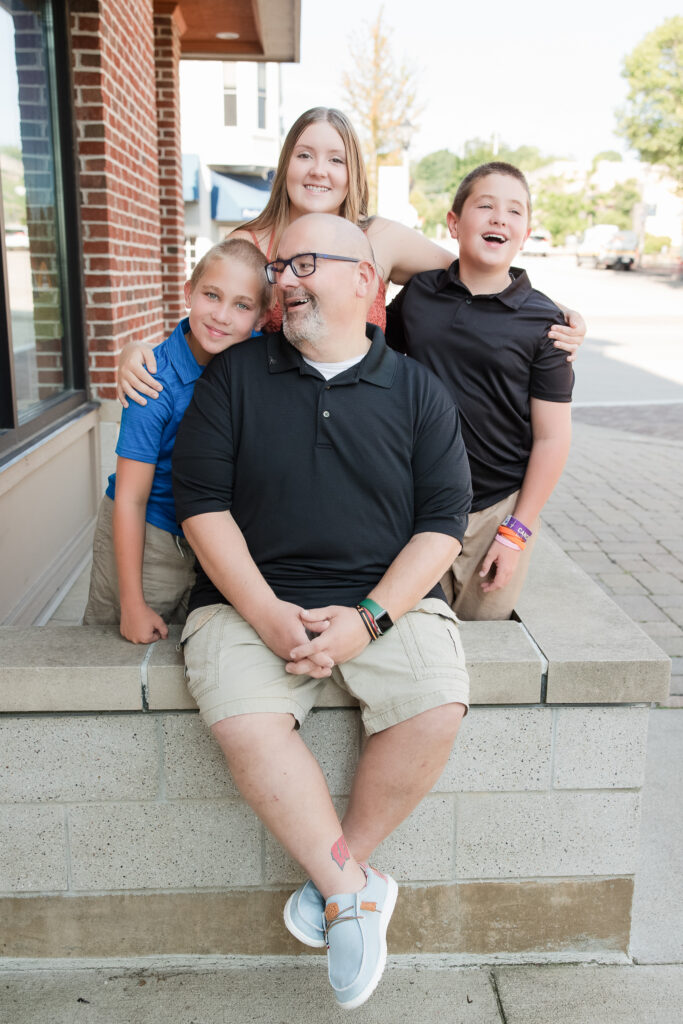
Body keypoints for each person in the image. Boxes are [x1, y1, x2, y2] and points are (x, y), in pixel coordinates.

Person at [171, 213, 472, 1009]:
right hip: (247, 600)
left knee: (435, 706)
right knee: (245, 721)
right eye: (278, 265)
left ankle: (336, 887)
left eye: (304, 262)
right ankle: (350, 891)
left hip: (386, 600)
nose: (284, 279)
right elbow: (200, 505)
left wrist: (368, 620)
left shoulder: (416, 390)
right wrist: (268, 615)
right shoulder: (233, 377)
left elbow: (443, 524)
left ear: (364, 280)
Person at [116, 107, 586, 406]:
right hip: (262, 423)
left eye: (336, 159)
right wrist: (142, 352)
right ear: (286, 166)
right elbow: (209, 325)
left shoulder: (380, 239)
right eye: (305, 155)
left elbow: (476, 274)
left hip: (361, 419)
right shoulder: (250, 243)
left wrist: (553, 310)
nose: (319, 170)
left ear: (351, 172)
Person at [385, 161, 574, 620]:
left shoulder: (544, 322)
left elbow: (553, 437)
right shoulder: (420, 296)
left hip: (496, 509)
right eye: (485, 205)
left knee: (486, 642)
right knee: (415, 632)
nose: (499, 218)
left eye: (514, 211)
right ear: (454, 223)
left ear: (525, 233)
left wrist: (516, 532)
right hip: (417, 503)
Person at [82, 239, 271, 642]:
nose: (221, 316)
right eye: (211, 295)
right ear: (189, 291)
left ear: (261, 317)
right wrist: (131, 603)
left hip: (214, 538)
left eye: (241, 305)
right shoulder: (153, 382)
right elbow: (131, 499)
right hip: (151, 537)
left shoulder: (259, 360)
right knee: (120, 642)